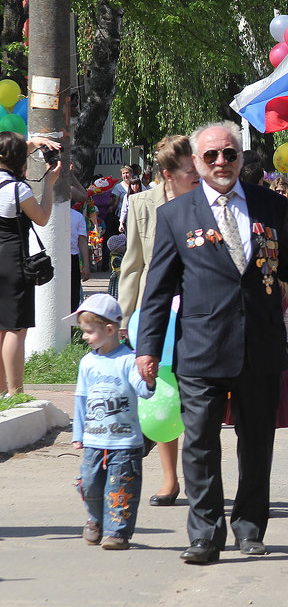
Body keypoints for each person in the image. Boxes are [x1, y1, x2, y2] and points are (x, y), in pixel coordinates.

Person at [135, 121, 288, 564]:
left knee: (257, 442)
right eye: (212, 156)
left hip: (260, 345)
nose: (222, 162)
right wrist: (147, 348)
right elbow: (158, 288)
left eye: (230, 154)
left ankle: (250, 527)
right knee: (199, 444)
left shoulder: (270, 206)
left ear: (240, 158)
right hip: (201, 348)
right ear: (197, 163)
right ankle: (204, 535)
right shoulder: (175, 215)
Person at [118, 135, 202, 507]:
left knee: (199, 394)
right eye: (189, 169)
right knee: (162, 396)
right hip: (157, 314)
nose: (197, 174)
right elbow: (133, 264)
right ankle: (170, 480)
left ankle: (199, 475)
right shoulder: (140, 204)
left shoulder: (207, 200)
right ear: (168, 173)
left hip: (201, 311)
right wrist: (125, 318)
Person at [68, 293, 155, 550]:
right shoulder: (87, 363)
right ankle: (95, 520)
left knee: (121, 489)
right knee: (91, 484)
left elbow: (143, 390)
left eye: (89, 332)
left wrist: (149, 380)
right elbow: (81, 399)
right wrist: (78, 433)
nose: (84, 337)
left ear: (109, 329)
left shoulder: (129, 360)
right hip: (94, 439)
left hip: (125, 441)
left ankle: (117, 533)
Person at [0, 132, 61, 397]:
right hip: (13, 261)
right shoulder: (18, 189)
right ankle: (16, 391)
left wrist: (32, 143)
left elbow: (8, 154)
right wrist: (49, 182)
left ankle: (1, 390)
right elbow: (42, 217)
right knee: (15, 327)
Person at [70, 197, 90, 308]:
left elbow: (82, 241)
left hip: (72, 257)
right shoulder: (48, 212)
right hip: (53, 259)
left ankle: (71, 325)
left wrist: (86, 266)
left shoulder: (77, 216)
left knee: (73, 296)